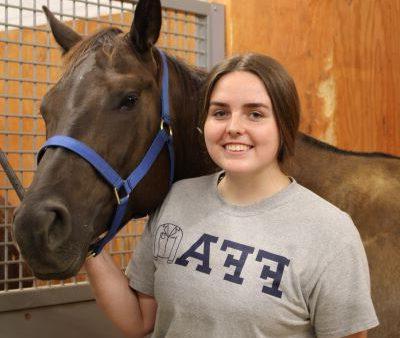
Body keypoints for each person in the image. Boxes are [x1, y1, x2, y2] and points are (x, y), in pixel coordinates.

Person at [85, 53, 379, 338]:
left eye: (255, 114)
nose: (234, 128)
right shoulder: (176, 199)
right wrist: (85, 242)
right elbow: (138, 320)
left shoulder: (331, 232)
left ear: (284, 125)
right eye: (220, 112)